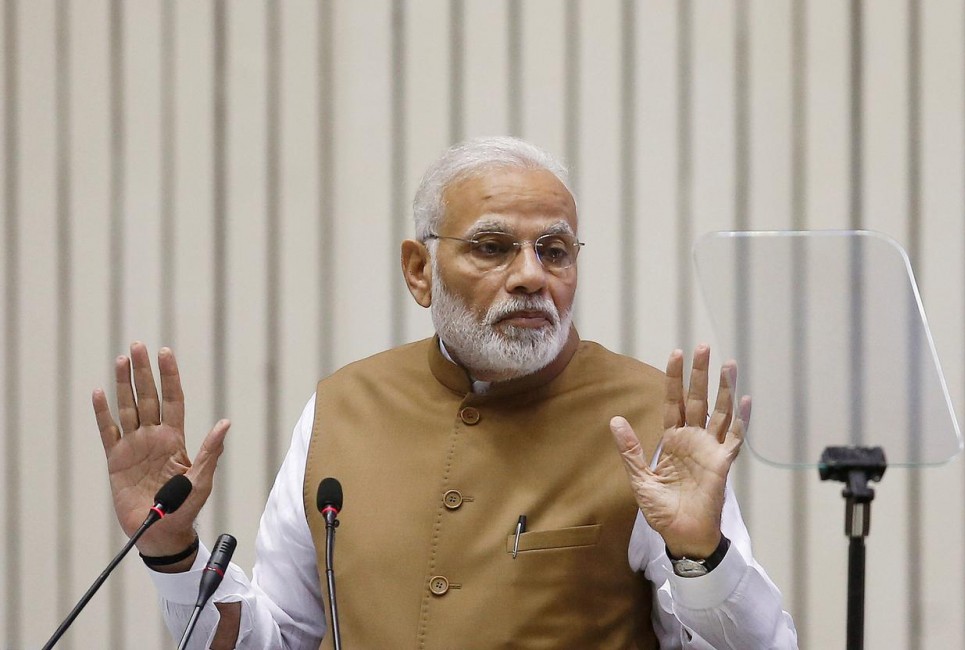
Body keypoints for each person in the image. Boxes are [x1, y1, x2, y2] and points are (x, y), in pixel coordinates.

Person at [93, 136, 798, 648]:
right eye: (492, 247)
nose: (530, 276)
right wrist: (175, 553)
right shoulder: (343, 408)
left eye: (554, 251)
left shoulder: (647, 421)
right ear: (419, 270)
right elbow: (277, 640)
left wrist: (702, 554)